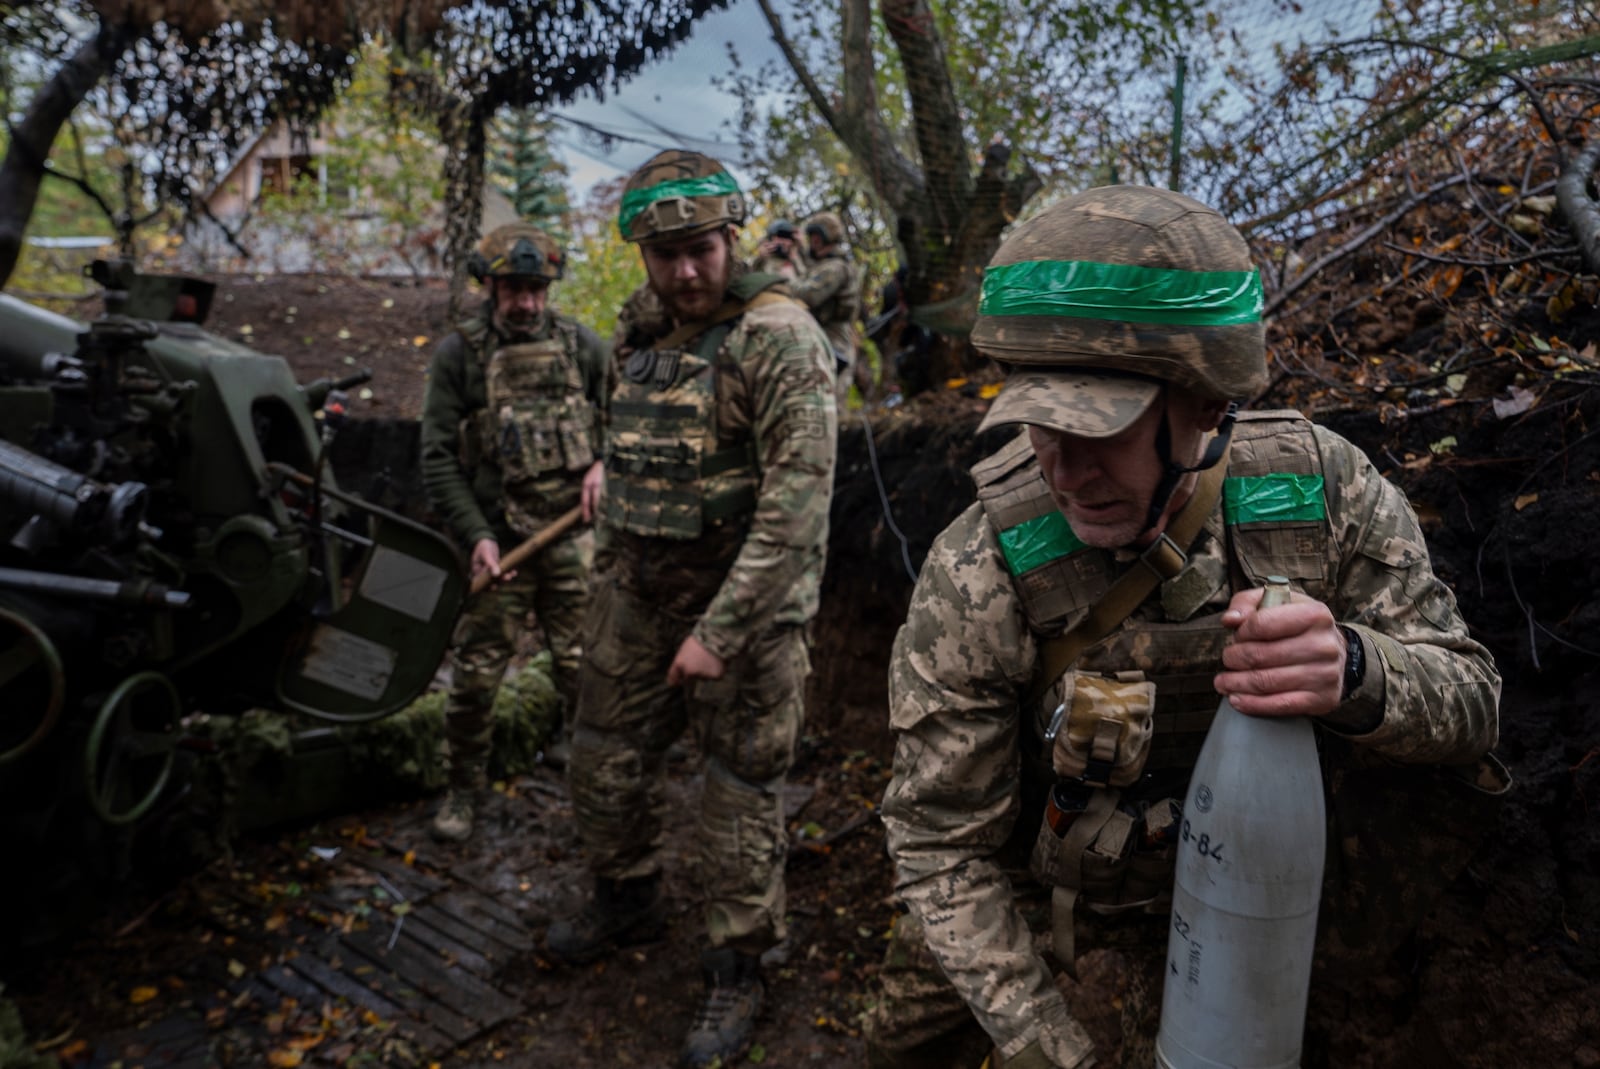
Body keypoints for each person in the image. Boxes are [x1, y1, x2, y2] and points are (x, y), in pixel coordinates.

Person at [864, 185, 1502, 1069]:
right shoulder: (983, 565)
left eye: (1100, 431)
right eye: (1035, 424)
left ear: (1206, 402)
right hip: (1066, 920)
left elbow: (1475, 705)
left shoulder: (1320, 493)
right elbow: (940, 842)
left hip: (1273, 913)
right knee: (902, 1038)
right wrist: (1050, 1044)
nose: (1062, 468)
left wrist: (1358, 671)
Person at [545, 149, 838, 1069]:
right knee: (599, 755)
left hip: (744, 611)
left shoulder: (779, 337)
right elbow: (630, 426)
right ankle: (626, 897)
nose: (684, 271)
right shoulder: (639, 328)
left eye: (700, 249)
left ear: (730, 239)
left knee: (738, 793)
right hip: (636, 592)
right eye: (664, 254)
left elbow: (798, 502)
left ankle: (738, 962)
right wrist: (605, 466)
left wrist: (720, 630)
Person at [419, 222, 609, 842]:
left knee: (584, 668)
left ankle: (589, 783)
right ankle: (462, 789)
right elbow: (439, 457)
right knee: (476, 677)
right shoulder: (459, 356)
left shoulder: (582, 346)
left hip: (574, 539)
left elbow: (625, 422)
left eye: (536, 289)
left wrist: (606, 465)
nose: (526, 302)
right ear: (489, 286)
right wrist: (477, 533)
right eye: (513, 289)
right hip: (499, 542)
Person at [790, 210, 866, 405]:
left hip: (835, 344)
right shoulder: (822, 264)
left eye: (817, 237)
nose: (813, 242)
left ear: (827, 237)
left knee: (830, 407)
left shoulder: (836, 268)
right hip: (820, 341)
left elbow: (809, 294)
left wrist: (780, 280)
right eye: (811, 237)